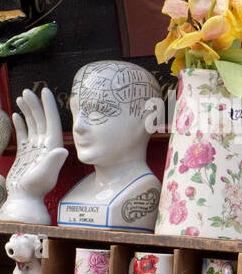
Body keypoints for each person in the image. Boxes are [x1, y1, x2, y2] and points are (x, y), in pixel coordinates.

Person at [55, 60, 163, 231]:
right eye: (75, 111)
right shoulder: (79, 191)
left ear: (148, 118)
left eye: (97, 111)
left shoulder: (142, 192)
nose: (78, 127)